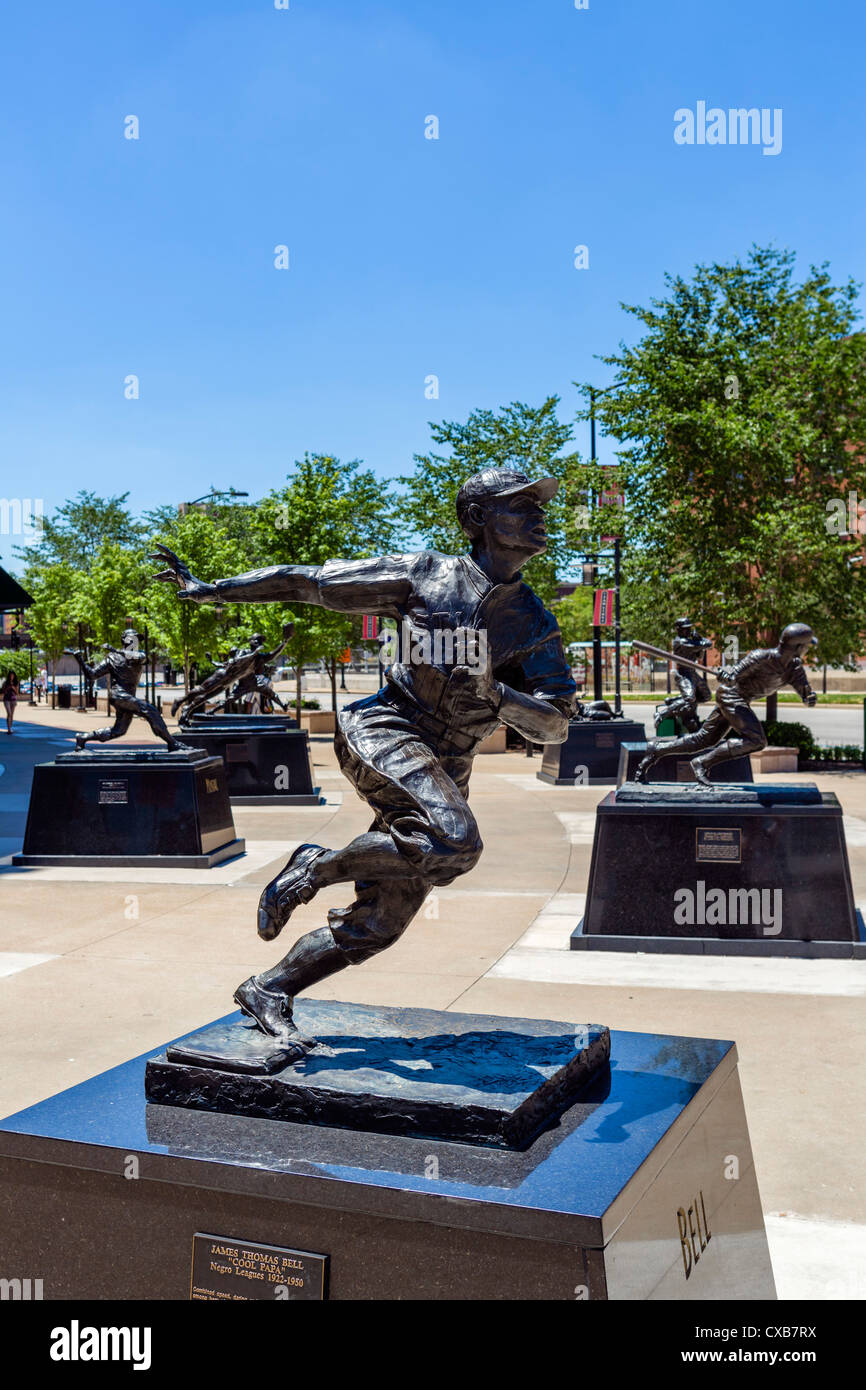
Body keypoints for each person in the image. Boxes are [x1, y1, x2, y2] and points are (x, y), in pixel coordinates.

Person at [152, 467, 576, 1054]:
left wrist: (498, 694)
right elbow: (306, 582)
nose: (538, 515)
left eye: (539, 506)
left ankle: (269, 989)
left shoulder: (533, 620)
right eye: (520, 506)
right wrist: (212, 590)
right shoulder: (423, 575)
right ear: (478, 519)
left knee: (383, 920)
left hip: (447, 763)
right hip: (387, 729)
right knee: (456, 843)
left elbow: (556, 721)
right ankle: (317, 865)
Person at [635, 623, 818, 788]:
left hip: (739, 700)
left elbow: (806, 694)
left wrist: (809, 698)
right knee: (757, 741)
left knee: (704, 739)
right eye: (808, 646)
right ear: (799, 647)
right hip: (731, 695)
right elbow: (735, 674)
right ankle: (702, 763)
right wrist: (728, 675)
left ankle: (656, 750)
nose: (808, 649)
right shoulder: (761, 657)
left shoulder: (794, 669)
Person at [64, 631, 187, 751]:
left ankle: (83, 738)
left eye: (137, 639)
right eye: (132, 638)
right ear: (124, 640)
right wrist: (79, 658)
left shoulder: (140, 655)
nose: (135, 641)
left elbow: (135, 657)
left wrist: (116, 650)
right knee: (151, 711)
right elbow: (92, 675)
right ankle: (172, 743)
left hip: (127, 697)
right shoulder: (111, 658)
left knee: (119, 731)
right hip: (118, 695)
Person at [1, 669, 19, 733]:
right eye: (10, 675)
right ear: (9, 676)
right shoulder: (5, 683)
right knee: (9, 713)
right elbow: (3, 691)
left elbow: (17, 693)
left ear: (14, 676)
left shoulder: (16, 683)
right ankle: (9, 729)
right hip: (6, 699)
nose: (11, 677)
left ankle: (10, 727)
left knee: (12, 715)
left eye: (12, 675)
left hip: (13, 699)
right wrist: (8, 687)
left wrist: (13, 687)